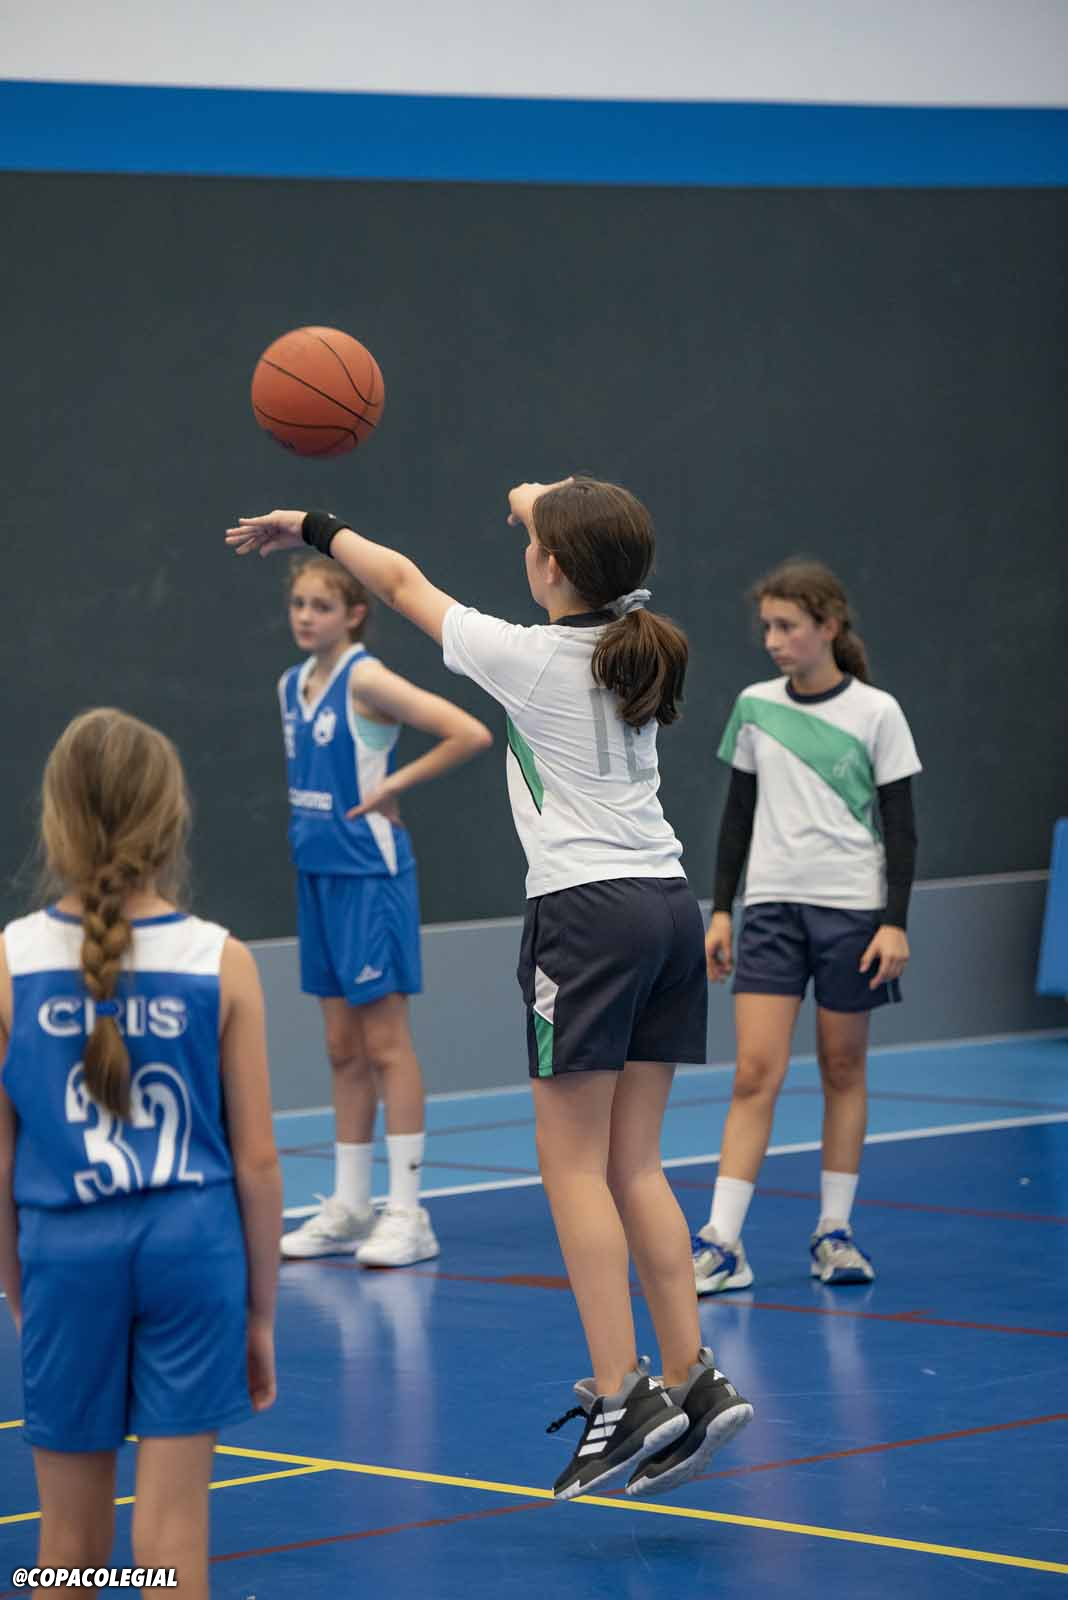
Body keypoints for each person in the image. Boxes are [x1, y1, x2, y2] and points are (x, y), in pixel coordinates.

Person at [226, 479, 753, 1502]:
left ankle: (621, 1392)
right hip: (666, 905)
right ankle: (693, 1373)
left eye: (535, 537)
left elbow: (399, 581)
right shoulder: (632, 643)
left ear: (550, 564)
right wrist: (543, 504)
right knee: (636, 1163)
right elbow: (555, 520)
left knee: (572, 1168)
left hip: (587, 917)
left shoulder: (529, 655)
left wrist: (314, 527)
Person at [0, 708, 281, 1599]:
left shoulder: (10, 962)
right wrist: (260, 1315)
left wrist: (19, 1288)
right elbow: (258, 1165)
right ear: (172, 817)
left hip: (64, 1252)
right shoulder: (221, 961)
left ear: (55, 817)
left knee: (66, 1541)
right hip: (191, 1249)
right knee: (170, 1536)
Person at [694, 559, 921, 1294]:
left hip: (853, 914)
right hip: (770, 913)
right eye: (766, 626)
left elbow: (901, 829)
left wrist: (894, 923)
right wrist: (721, 909)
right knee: (753, 1073)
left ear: (829, 626)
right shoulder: (754, 706)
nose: (772, 640)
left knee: (842, 1069)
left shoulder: (878, 713)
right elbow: (737, 817)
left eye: (787, 626)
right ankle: (723, 1241)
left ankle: (834, 1233)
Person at [276, 554, 492, 1268]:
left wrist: (393, 785)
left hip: (371, 878)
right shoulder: (290, 685)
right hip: (318, 877)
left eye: (321, 606)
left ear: (354, 614)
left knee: (386, 1047)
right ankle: (350, 1205)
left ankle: (407, 1212)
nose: (306, 616)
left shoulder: (364, 679)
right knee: (341, 1049)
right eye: (298, 604)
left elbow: (468, 732)